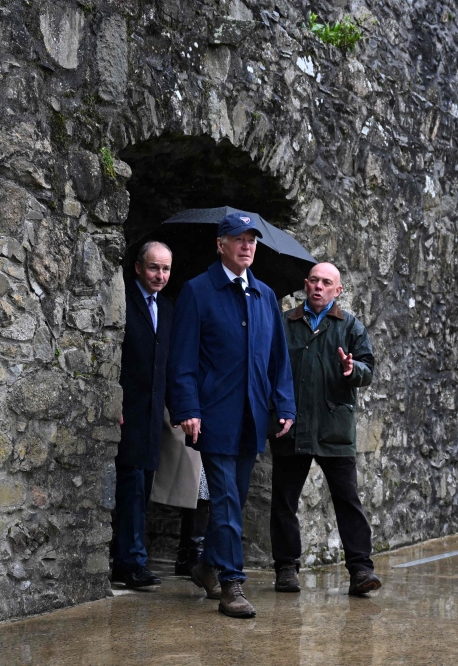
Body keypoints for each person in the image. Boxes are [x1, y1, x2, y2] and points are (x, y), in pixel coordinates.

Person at [168, 212, 297, 618]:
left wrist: (285, 405)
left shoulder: (265, 296)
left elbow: (279, 361)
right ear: (220, 244)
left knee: (234, 501)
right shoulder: (197, 291)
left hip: (253, 418)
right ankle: (231, 583)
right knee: (225, 500)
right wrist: (187, 407)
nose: (247, 245)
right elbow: (182, 359)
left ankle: (205, 566)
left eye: (252, 239)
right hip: (213, 416)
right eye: (238, 238)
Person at [270, 263, 382, 596]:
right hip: (292, 425)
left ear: (338, 290)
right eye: (314, 281)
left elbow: (368, 369)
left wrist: (352, 369)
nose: (319, 287)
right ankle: (286, 568)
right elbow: (271, 365)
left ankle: (361, 569)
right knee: (283, 501)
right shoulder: (285, 322)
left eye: (326, 283)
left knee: (347, 500)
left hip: (335, 427)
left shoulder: (350, 326)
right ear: (306, 285)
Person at [112, 241, 174, 589]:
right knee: (131, 487)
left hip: (152, 414)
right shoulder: (122, 302)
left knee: (143, 486)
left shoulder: (166, 308)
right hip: (127, 409)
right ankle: (131, 563)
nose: (160, 275)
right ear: (138, 268)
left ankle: (130, 557)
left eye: (165, 269)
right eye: (154, 268)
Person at [149, 411, 211, 577]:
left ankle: (190, 554)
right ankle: (191, 555)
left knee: (201, 487)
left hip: (210, 415)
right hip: (188, 414)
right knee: (195, 483)